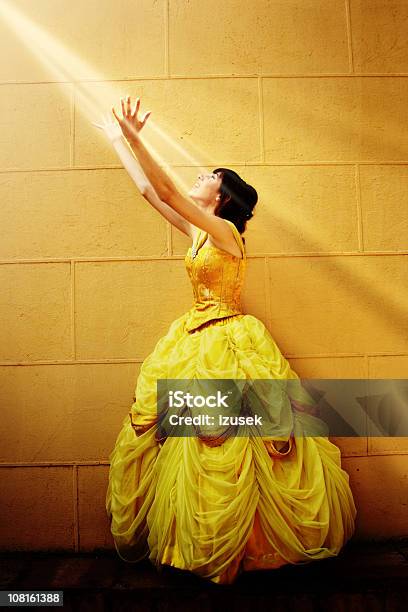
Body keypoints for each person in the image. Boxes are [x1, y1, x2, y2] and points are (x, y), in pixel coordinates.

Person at [93, 96, 357, 585]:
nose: (199, 178)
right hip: (194, 335)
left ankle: (251, 546)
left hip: (230, 341)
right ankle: (198, 538)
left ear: (222, 196)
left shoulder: (224, 233)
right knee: (190, 441)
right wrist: (116, 142)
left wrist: (136, 136)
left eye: (208, 177)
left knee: (229, 442)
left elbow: (170, 192)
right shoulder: (200, 233)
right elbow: (153, 194)